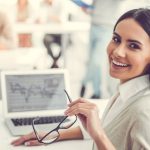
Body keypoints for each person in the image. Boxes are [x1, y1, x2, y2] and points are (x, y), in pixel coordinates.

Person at [11, 8, 150, 149]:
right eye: (116, 39)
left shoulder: (144, 112)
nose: (118, 51)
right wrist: (53, 134)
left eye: (133, 46)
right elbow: (113, 128)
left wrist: (98, 135)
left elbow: (105, 132)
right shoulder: (127, 91)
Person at [80, 0, 121, 99]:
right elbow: (95, 8)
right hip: (93, 26)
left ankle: (85, 82)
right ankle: (96, 91)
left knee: (96, 62)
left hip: (106, 28)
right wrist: (88, 10)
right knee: (91, 61)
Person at [36, 0, 67, 68]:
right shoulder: (42, 5)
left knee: (66, 42)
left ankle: (55, 61)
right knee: (45, 40)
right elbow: (41, 18)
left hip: (60, 33)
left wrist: (50, 16)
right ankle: (54, 60)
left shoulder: (60, 4)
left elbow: (62, 20)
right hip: (50, 33)